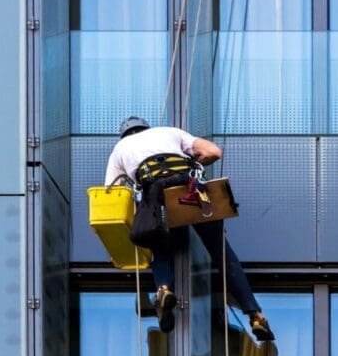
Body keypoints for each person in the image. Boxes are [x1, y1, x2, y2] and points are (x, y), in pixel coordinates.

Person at [105, 116, 274, 341]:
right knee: (220, 252)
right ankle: (255, 316)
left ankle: (164, 289)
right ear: (147, 128)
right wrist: (195, 163)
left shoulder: (120, 148)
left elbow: (111, 190)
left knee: (160, 246)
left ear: (124, 134)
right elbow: (214, 152)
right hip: (188, 188)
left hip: (155, 194)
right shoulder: (170, 132)